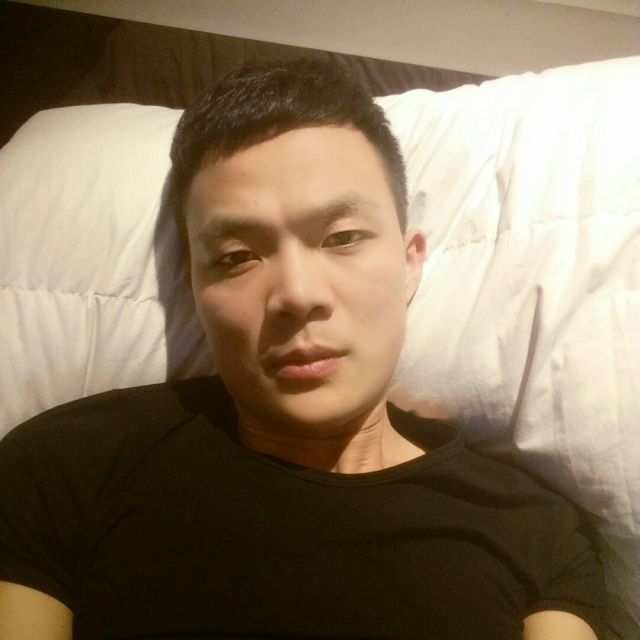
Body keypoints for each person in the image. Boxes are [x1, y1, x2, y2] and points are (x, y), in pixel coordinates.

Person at [0, 58, 605, 639]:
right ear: (194, 287)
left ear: (409, 262)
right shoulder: (64, 467)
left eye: (342, 238)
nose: (296, 294)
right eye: (237, 256)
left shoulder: (537, 535)